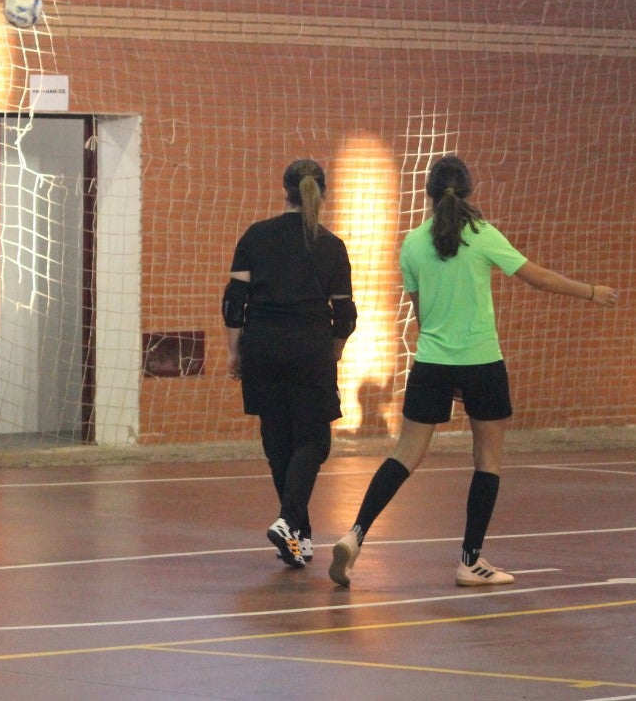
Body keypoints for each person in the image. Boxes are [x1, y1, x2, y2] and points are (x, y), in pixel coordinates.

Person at [329, 155, 619, 587]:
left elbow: (423, 316)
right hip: (482, 364)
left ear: (428, 194)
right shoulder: (483, 236)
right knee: (487, 460)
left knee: (404, 455)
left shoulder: (412, 244)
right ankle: (470, 561)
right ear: (469, 193)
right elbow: (535, 276)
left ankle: (355, 535)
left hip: (431, 364)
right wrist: (591, 292)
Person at [223, 159, 357, 568]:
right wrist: (334, 350)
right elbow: (346, 315)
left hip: (261, 348)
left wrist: (235, 351)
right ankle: (287, 519)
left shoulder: (256, 236)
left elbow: (234, 304)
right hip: (309, 350)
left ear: (285, 190)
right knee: (314, 442)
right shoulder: (331, 245)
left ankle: (299, 535)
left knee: (278, 442)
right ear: (323, 191)